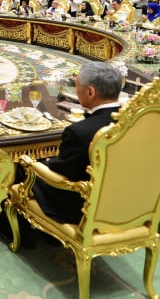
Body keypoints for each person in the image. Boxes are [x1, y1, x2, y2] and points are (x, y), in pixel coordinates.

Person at [30, 62, 122, 225]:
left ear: (90, 91)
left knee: (20, 169)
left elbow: (62, 170)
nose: (76, 91)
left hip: (78, 207)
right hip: (121, 201)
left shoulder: (80, 132)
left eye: (77, 86)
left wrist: (43, 162)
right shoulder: (134, 123)